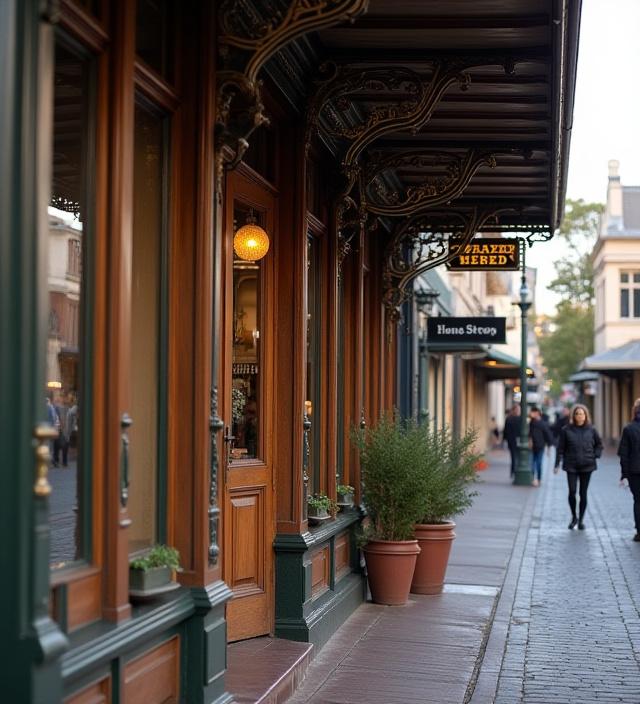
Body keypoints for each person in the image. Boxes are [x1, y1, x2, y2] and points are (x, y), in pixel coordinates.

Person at [554, 404, 603, 529]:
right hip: (571, 465)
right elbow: (560, 448)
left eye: (582, 414)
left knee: (583, 493)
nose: (579, 416)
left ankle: (581, 519)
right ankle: (573, 517)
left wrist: (595, 455)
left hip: (587, 465)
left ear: (585, 415)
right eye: (577, 414)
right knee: (572, 492)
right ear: (573, 416)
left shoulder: (591, 429)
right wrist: (556, 464)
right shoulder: (566, 430)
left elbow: (599, 445)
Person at [617, 398, 640, 542]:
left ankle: (639, 531)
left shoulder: (629, 428)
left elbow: (623, 454)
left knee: (638, 501)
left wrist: (624, 474)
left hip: (634, 471)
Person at [529, 406, 553, 487]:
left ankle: (538, 479)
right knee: (532, 464)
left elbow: (548, 436)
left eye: (534, 412)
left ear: (538, 413)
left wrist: (549, 448)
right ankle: (533, 479)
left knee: (538, 464)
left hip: (540, 446)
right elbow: (529, 434)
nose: (532, 414)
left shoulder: (543, 423)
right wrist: (530, 441)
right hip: (532, 447)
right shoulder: (531, 422)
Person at [503, 405, 521, 477]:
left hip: (513, 440)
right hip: (514, 440)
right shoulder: (512, 419)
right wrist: (505, 440)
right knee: (514, 457)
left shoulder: (509, 418)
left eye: (519, 410)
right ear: (514, 410)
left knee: (514, 457)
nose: (518, 411)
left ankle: (513, 471)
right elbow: (506, 431)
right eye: (517, 410)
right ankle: (514, 471)